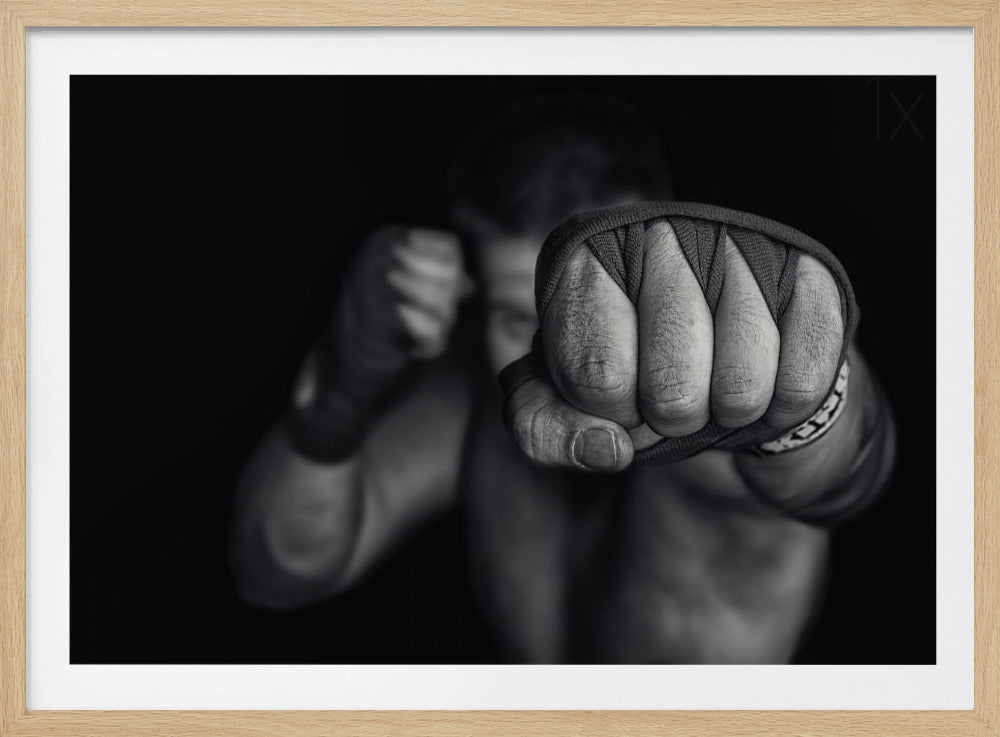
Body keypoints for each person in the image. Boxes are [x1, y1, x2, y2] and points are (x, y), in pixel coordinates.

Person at [228, 95, 896, 664]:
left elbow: (846, 469)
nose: (568, 361)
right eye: (519, 316)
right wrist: (343, 384)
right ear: (476, 296)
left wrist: (802, 395)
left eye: (603, 308)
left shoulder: (722, 405)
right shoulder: (481, 403)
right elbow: (282, 568)